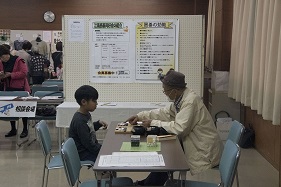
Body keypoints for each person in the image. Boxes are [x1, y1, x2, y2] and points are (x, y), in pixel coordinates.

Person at [127, 70, 224, 186]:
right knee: (167, 156)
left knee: (168, 157)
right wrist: (140, 115)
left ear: (175, 90)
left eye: (166, 91)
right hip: (193, 141)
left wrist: (153, 122)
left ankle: (148, 184)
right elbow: (166, 113)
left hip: (203, 148)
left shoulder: (190, 102)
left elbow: (179, 128)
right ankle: (148, 183)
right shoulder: (182, 98)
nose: (165, 93)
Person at [68, 85, 108, 162]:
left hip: (88, 149)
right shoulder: (79, 121)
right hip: (83, 154)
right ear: (84, 102)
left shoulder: (85, 114)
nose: (96, 103)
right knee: (107, 158)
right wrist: (103, 149)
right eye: (94, 101)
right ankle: (104, 173)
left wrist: (98, 123)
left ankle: (107, 173)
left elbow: (89, 128)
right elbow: (89, 144)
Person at [0, 44, 31, 138]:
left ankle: (25, 129)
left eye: (2, 57)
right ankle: (13, 128)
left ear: (6, 54)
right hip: (8, 87)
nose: (1, 59)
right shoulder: (1, 62)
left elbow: (24, 73)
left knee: (23, 109)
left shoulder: (18, 60)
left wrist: (11, 75)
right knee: (10, 108)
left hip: (20, 88)